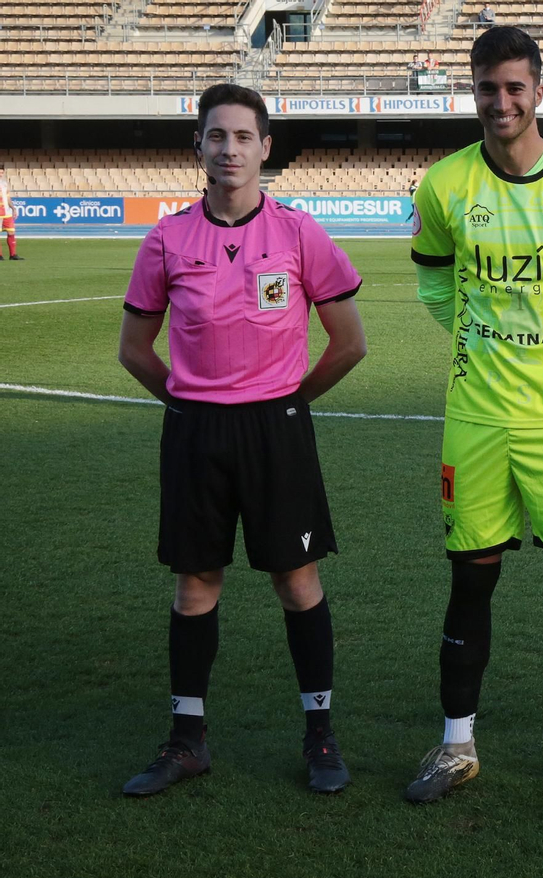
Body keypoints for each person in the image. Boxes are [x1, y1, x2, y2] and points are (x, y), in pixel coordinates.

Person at [404, 25, 543, 805]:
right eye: (486, 88)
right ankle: (457, 743)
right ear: (473, 92)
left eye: (513, 87)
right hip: (476, 416)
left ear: (539, 91)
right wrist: (481, 341)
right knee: (471, 581)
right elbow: (436, 286)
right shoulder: (442, 187)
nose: (500, 102)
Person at [117, 83, 367, 797]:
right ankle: (187, 738)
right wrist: (189, 401)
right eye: (216, 136)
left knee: (297, 580)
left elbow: (349, 342)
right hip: (195, 430)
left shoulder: (297, 232)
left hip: (275, 429)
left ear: (265, 148)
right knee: (195, 584)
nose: (229, 149)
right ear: (198, 145)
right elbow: (135, 347)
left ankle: (320, 733)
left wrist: (288, 403)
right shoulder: (167, 237)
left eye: (242, 136)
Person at [0, 164, 19, 260]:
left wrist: (13, 208)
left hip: (6, 213)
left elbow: (7, 198)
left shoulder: (4, 184)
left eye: (2, 172)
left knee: (11, 232)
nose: (0, 174)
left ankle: (13, 255)